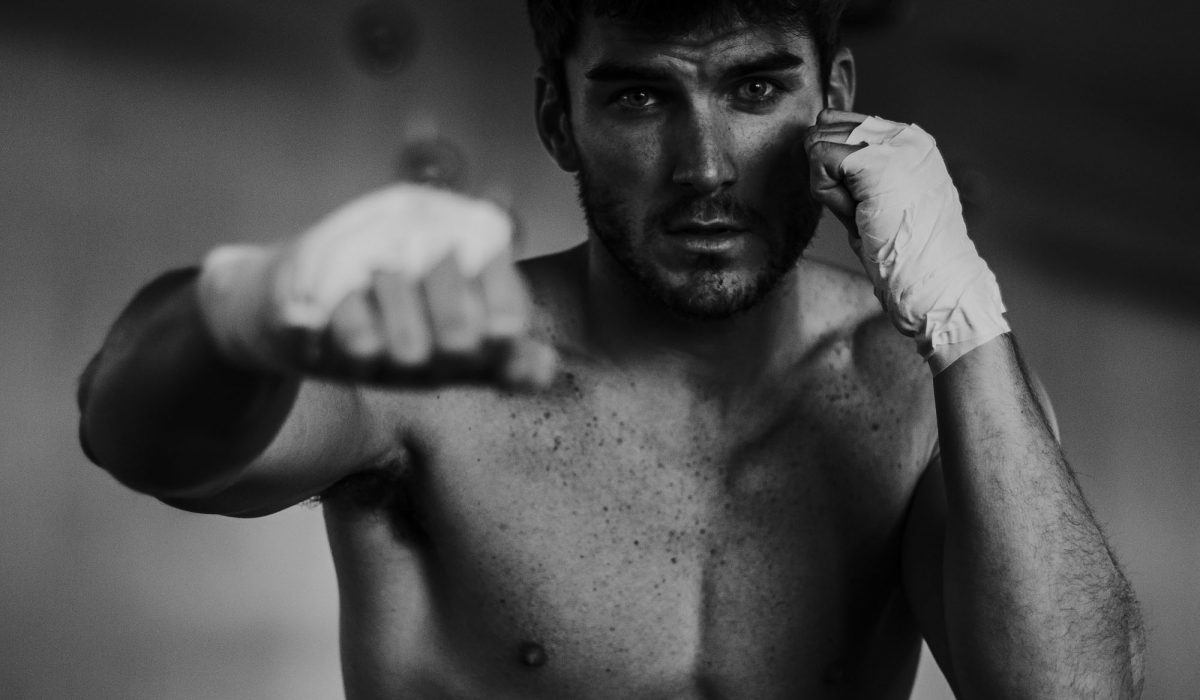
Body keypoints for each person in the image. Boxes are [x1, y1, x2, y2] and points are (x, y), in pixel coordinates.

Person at [77, 1, 1146, 697]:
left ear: (837, 103)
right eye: (641, 97)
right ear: (557, 119)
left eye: (756, 89)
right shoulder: (443, 364)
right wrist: (250, 306)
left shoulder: (916, 378)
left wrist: (965, 317)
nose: (707, 167)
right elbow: (138, 441)